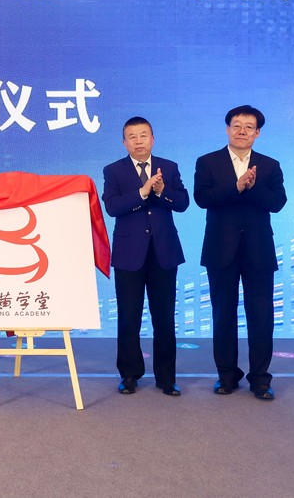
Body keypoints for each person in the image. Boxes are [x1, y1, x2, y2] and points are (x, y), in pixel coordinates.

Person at [194, 105, 287, 400]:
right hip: (220, 249)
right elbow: (202, 198)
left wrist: (252, 187)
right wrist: (236, 187)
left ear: (257, 133)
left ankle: (260, 379)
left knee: (261, 316)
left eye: (249, 127)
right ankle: (227, 375)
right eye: (237, 125)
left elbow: (278, 203)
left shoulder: (269, 165)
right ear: (227, 129)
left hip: (259, 250)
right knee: (223, 314)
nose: (242, 131)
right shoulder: (207, 162)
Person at [102, 117, 189, 396]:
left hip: (164, 252)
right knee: (129, 317)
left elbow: (183, 203)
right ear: (124, 142)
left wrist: (163, 192)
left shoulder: (169, 167)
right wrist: (142, 192)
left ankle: (167, 378)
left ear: (152, 139)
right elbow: (112, 207)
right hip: (129, 254)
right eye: (132, 137)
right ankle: (129, 375)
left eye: (143, 135)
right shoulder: (113, 171)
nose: (138, 141)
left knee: (164, 318)